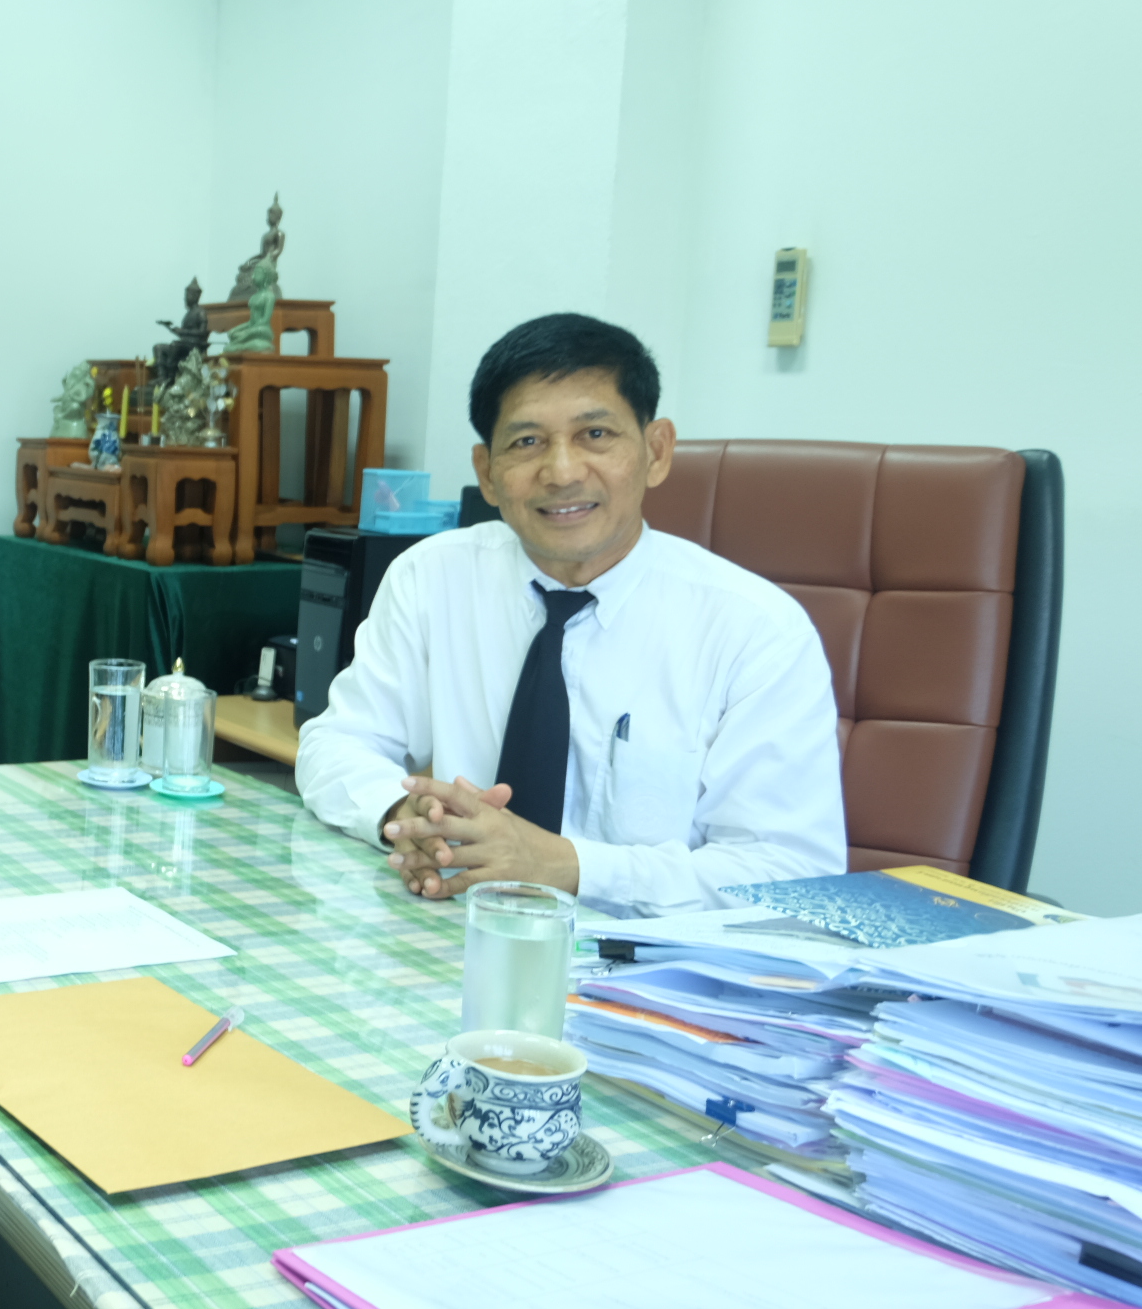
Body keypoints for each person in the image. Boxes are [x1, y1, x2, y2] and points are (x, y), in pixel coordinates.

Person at [295, 312, 846, 916]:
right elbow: (336, 743)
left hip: (649, 959)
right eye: (526, 442)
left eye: (595, 435)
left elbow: (790, 875)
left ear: (656, 452)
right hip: (456, 931)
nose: (561, 472)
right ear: (487, 473)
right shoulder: (432, 577)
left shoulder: (755, 631)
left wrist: (564, 865)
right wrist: (406, 817)